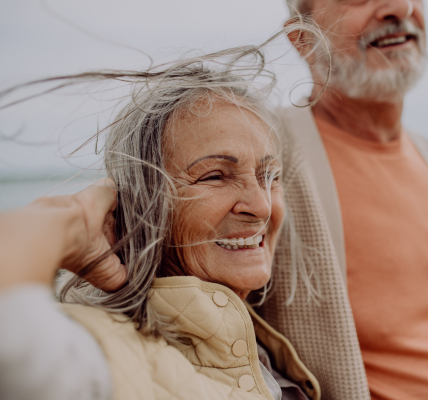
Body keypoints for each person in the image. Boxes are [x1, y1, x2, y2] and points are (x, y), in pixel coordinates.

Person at [0, 31, 325, 400]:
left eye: (271, 176)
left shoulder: (270, 348)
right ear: (142, 204)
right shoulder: (98, 357)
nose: (262, 206)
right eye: (215, 175)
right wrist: (70, 222)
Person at [251, 1, 428, 399]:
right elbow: (171, 194)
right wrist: (116, 200)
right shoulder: (263, 149)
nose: (398, 8)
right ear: (301, 39)